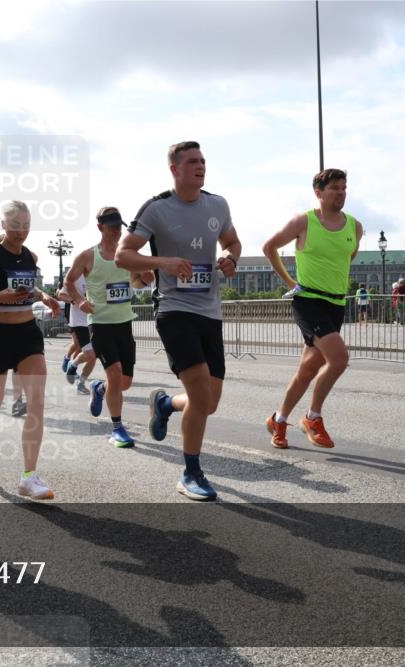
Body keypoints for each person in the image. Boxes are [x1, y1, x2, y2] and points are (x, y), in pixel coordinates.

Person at [117, 140, 241, 501]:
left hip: (210, 312)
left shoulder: (218, 204)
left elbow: (232, 242)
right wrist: (163, 263)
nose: (201, 166)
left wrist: (230, 259)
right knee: (201, 395)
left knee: (209, 402)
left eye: (203, 160)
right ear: (174, 169)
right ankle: (191, 472)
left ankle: (165, 404)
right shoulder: (157, 209)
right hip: (174, 310)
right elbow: (124, 255)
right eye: (192, 162)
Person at [0, 200, 61, 498]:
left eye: (26, 225)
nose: (22, 231)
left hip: (28, 333)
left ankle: (29, 477)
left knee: (36, 403)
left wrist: (45, 296)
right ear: (3, 225)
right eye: (16, 225)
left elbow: (29, 287)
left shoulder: (31, 255)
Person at [262, 167, 362, 450]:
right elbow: (269, 247)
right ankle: (312, 417)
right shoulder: (303, 222)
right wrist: (291, 281)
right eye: (334, 188)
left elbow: (347, 257)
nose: (340, 193)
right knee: (339, 358)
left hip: (336, 304)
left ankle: (278, 420)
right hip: (308, 301)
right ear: (319, 193)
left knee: (307, 370)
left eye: (343, 188)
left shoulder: (355, 226)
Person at [66, 207, 154, 449]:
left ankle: (98, 387)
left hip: (124, 322)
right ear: (100, 227)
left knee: (123, 382)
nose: (117, 230)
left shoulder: (127, 255)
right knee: (114, 373)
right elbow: (68, 282)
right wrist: (80, 301)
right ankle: (117, 428)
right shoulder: (87, 257)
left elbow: (136, 282)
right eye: (112, 225)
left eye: (119, 225)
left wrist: (145, 278)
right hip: (101, 325)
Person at [57, 273, 95, 394]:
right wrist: (76, 300)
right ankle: (71, 363)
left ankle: (81, 381)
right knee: (88, 352)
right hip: (80, 321)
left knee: (94, 355)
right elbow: (61, 294)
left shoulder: (100, 273)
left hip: (97, 320)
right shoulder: (77, 276)